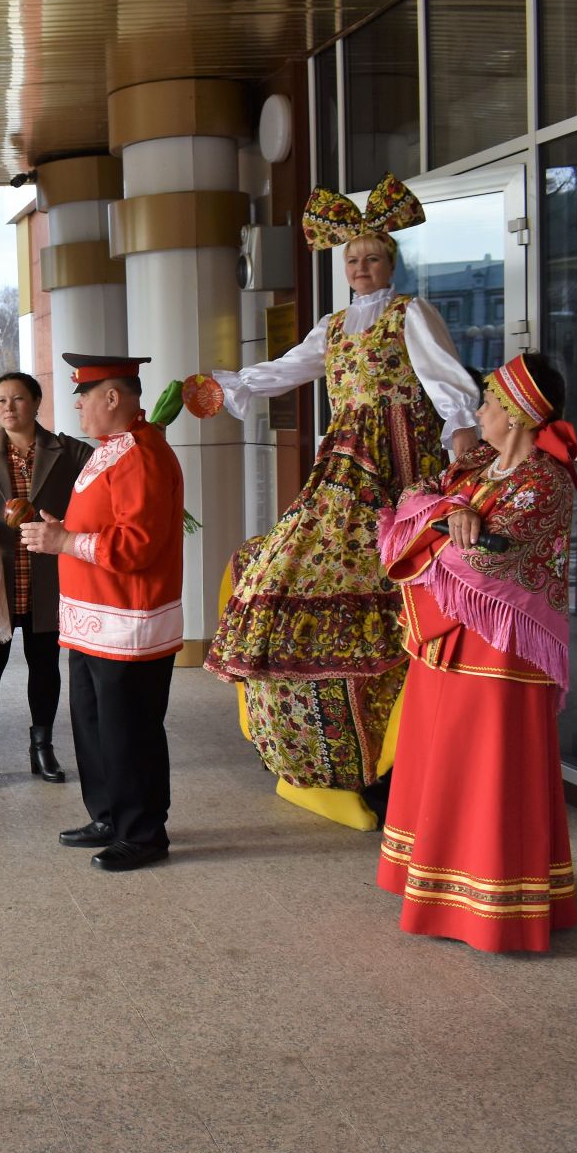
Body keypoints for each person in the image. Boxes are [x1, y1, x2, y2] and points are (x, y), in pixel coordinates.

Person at [198, 174, 481, 823]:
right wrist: (227, 384)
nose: (361, 266)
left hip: (399, 458)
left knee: (404, 570)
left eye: (372, 257)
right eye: (352, 258)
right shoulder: (332, 327)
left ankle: (401, 730)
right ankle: (331, 748)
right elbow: (285, 370)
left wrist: (461, 424)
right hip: (344, 460)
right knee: (292, 557)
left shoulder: (412, 314)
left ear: (391, 261)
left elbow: (444, 379)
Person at [374, 354, 577, 952]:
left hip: (501, 659)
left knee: (488, 771)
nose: (480, 410)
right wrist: (451, 512)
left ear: (516, 414)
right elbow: (413, 496)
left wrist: (444, 523)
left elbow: (484, 560)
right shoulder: (479, 462)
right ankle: (437, 888)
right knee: (440, 762)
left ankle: (492, 907)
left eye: (489, 401)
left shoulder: (546, 483)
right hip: (447, 647)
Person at [21, 356, 184, 872]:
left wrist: (65, 539)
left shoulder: (141, 455)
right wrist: (62, 529)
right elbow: (104, 523)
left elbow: (137, 545)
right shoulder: (112, 451)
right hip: (94, 618)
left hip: (127, 621)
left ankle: (143, 832)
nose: (77, 405)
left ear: (112, 398)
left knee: (128, 728)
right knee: (94, 725)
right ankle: (110, 814)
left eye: (84, 396)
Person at [0, 370, 93, 786]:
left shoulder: (69, 451)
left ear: (36, 402)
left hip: (49, 578)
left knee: (44, 665)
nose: (9, 408)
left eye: (18, 399)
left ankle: (41, 749)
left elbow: (100, 490)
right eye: (2, 401)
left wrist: (67, 526)